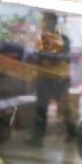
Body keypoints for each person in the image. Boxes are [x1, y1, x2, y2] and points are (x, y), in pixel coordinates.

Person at [27, 11, 71, 146]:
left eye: (46, 20)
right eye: (44, 21)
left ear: (53, 22)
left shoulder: (63, 39)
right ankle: (37, 140)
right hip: (45, 78)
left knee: (63, 108)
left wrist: (48, 55)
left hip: (58, 79)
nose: (44, 24)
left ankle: (73, 133)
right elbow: (36, 57)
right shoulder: (42, 38)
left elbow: (65, 56)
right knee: (41, 109)